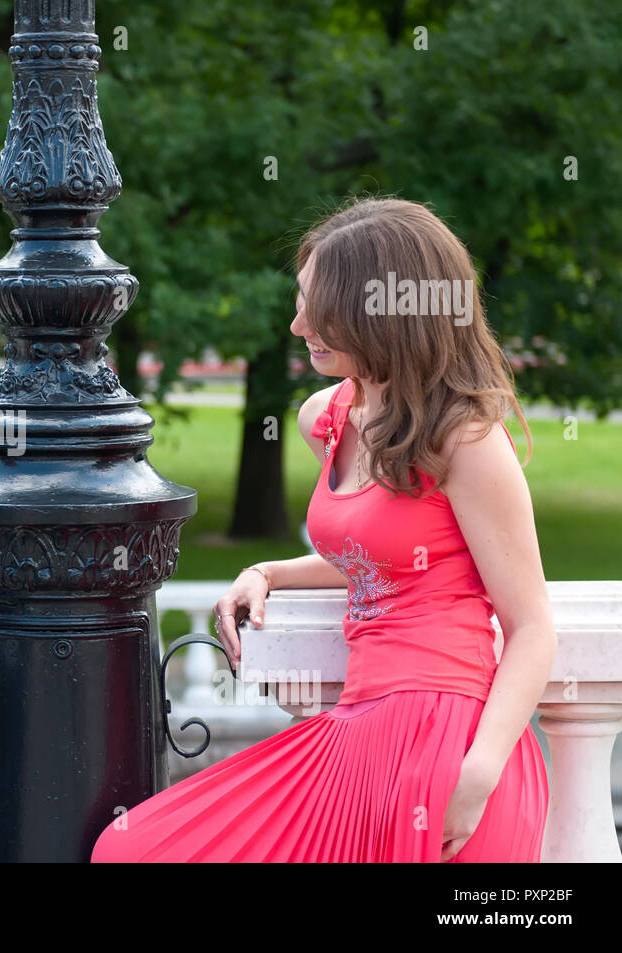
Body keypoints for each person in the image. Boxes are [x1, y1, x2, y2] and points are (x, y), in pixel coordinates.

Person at [91, 197, 555, 863]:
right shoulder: (327, 418)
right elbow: (383, 555)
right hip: (358, 729)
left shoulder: (466, 438)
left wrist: (478, 773)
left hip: (449, 738)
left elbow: (533, 624)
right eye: (301, 300)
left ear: (386, 312)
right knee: (130, 849)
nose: (297, 323)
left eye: (320, 309)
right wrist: (270, 572)